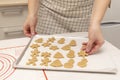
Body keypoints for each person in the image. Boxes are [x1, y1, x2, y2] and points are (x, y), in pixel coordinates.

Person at [23, 0, 111, 54]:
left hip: (83, 14)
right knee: (44, 53)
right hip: (49, 12)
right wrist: (32, 14)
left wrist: (95, 23)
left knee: (81, 58)